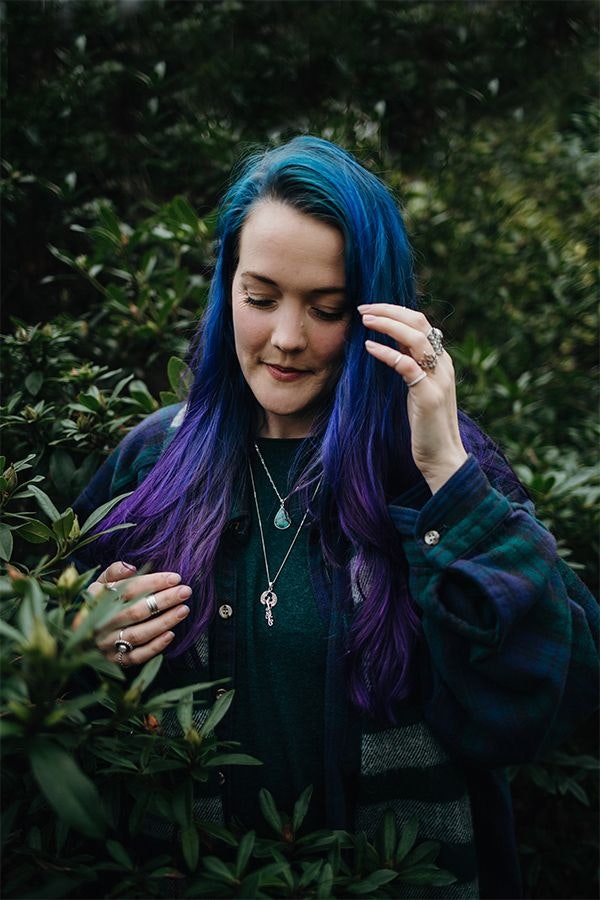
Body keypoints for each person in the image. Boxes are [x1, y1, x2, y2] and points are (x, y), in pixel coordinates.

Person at [73, 136, 599, 899]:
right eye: (259, 298)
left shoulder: (440, 469)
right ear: (227, 290)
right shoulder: (154, 459)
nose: (287, 339)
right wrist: (83, 642)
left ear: (376, 313)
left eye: (326, 309)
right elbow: (53, 697)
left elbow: (544, 705)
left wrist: (449, 476)